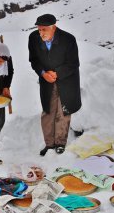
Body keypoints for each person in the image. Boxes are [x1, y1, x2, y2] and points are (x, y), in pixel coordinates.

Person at [28, 14, 81, 156]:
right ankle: (49, 144)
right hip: (47, 81)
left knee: (63, 112)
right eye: (39, 29)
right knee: (48, 112)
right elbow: (33, 60)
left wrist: (56, 73)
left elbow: (73, 64)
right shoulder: (33, 38)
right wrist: (43, 73)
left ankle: (60, 143)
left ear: (54, 27)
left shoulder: (68, 39)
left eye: (44, 30)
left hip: (67, 80)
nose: (41, 33)